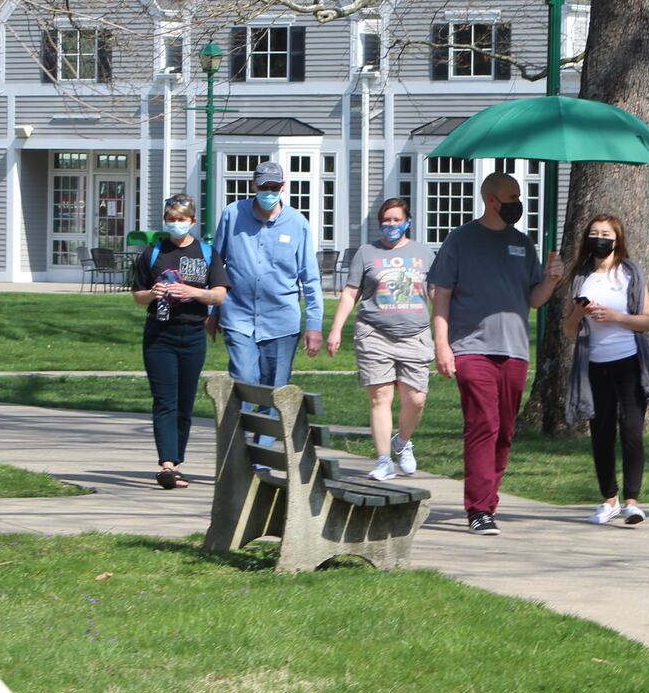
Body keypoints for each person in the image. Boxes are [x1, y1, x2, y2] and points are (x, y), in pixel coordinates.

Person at [430, 172, 563, 536]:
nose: (517, 202)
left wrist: (551, 279)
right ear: (491, 199)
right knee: (482, 425)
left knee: (504, 431)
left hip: (515, 350)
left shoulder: (523, 244)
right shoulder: (460, 240)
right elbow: (441, 294)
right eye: (511, 196)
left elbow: (533, 300)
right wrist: (441, 344)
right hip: (472, 348)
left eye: (519, 195)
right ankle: (478, 509)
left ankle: (488, 502)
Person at [560, 214, 649, 525]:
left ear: (617, 239)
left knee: (632, 431)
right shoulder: (581, 277)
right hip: (594, 365)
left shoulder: (629, 273)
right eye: (594, 233)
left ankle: (633, 501)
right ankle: (609, 500)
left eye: (605, 233)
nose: (599, 238)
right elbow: (568, 330)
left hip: (630, 362)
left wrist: (617, 317)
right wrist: (579, 314)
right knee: (601, 433)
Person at [206, 161, 322, 440]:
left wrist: (314, 325)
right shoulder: (233, 214)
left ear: (283, 188)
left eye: (274, 187)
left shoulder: (297, 223)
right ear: (253, 186)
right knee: (244, 380)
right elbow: (217, 263)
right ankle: (242, 453)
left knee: (274, 389)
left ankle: (263, 457)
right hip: (238, 314)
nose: (268, 192)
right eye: (263, 187)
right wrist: (212, 310)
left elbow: (310, 277)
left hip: (282, 320)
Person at [327, 197, 435, 481]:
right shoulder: (366, 252)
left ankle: (403, 441)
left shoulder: (424, 253)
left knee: (416, 398)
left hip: (416, 335)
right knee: (380, 398)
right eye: (386, 220)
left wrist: (449, 328)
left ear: (408, 221)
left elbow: (437, 294)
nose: (391, 225)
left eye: (396, 220)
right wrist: (337, 329)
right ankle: (384, 459)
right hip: (374, 334)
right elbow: (351, 293)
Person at [130, 194, 230, 489]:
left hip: (193, 334)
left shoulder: (207, 253)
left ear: (193, 222)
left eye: (182, 220)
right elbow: (137, 295)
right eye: (171, 220)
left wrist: (193, 292)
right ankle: (167, 465)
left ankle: (177, 462)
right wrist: (153, 294)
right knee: (165, 401)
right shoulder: (153, 253)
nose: (176, 225)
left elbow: (219, 294)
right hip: (160, 334)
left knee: (185, 404)